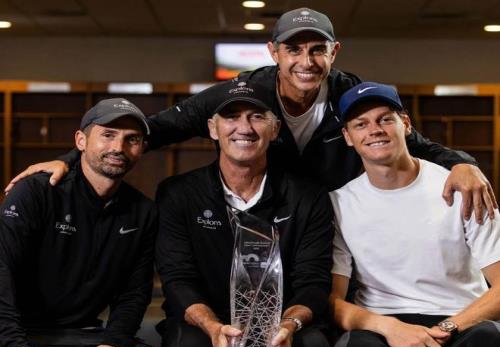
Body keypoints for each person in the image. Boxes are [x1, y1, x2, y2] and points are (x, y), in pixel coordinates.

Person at [6, 7, 497, 221]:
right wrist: (67, 161)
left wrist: (464, 163)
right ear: (274, 52)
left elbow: (413, 144)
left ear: (334, 51)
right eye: (294, 49)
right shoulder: (239, 95)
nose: (306, 62)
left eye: (318, 50)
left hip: (330, 222)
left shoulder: (352, 96)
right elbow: (152, 130)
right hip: (261, 217)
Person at [155, 79, 338, 347]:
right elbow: (177, 280)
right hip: (205, 320)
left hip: (283, 320)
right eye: (231, 117)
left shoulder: (308, 196)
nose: (244, 127)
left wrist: (288, 326)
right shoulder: (178, 193)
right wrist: (212, 328)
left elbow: (314, 282)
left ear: (275, 129)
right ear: (213, 128)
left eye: (257, 117)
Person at [329, 82, 500, 347]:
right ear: (348, 137)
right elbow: (333, 301)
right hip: (383, 324)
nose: (375, 130)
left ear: (405, 124)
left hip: (460, 321)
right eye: (361, 124)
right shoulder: (339, 204)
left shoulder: (463, 188)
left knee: (492, 341)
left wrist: (444, 330)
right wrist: (392, 329)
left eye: (385, 119)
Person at [0, 98, 166, 347]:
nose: (118, 147)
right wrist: (12, 345)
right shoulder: (36, 191)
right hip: (23, 333)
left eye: (131, 139)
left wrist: (115, 342)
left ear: (141, 149)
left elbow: (135, 292)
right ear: (81, 140)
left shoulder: (143, 212)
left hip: (86, 335)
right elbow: (1, 270)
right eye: (108, 135)